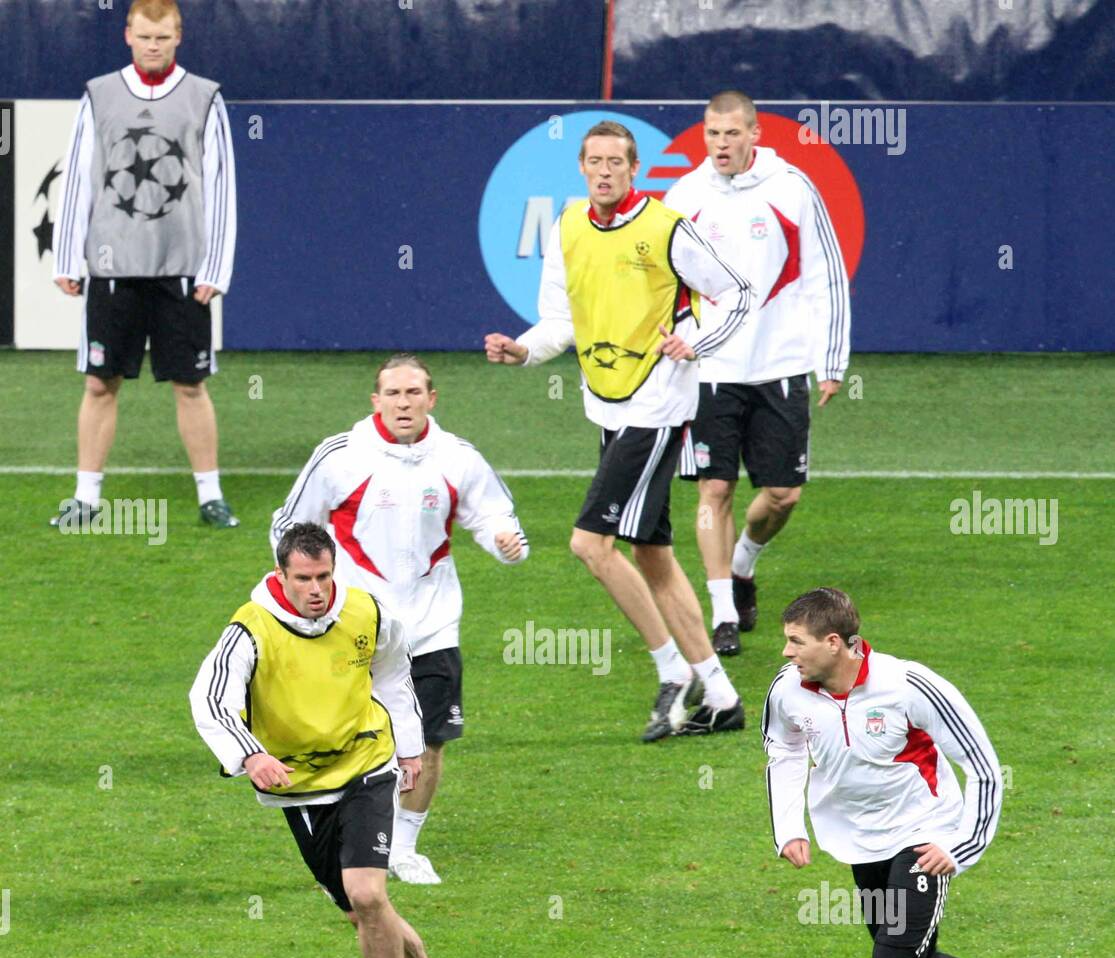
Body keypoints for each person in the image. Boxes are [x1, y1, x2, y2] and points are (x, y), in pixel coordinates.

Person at [763, 587, 1051, 958]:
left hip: (923, 838)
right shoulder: (789, 690)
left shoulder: (909, 686)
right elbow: (783, 749)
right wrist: (789, 826)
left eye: (796, 641)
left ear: (835, 643)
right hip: (857, 844)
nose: (786, 652)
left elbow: (985, 769)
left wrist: (960, 848)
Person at [485, 120, 750, 742]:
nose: (604, 170)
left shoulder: (664, 228)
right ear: (581, 168)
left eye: (616, 162)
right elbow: (558, 320)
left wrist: (695, 341)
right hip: (606, 405)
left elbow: (736, 293)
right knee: (651, 553)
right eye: (594, 161)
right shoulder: (571, 227)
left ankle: (672, 671)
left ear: (635, 170)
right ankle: (721, 695)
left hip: (655, 407)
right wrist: (523, 352)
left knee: (588, 544)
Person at [189, 522, 476, 958]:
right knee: (363, 915)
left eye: (324, 575)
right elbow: (211, 699)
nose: (316, 589)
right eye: (303, 578)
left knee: (369, 894)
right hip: (298, 786)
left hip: (367, 761)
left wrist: (411, 747)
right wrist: (250, 756)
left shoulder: (366, 612)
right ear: (282, 576)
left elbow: (393, 677)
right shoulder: (250, 630)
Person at [269, 355, 529, 885]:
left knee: (429, 742)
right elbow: (290, 524)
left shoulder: (458, 458)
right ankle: (345, 839)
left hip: (433, 626)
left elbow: (494, 516)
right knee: (345, 734)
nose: (403, 403)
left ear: (432, 399)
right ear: (376, 401)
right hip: (355, 627)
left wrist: (505, 544)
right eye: (393, 394)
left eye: (414, 393)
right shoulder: (340, 457)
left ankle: (403, 847)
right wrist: (302, 592)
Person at [665, 91, 850, 655]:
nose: (720, 144)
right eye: (711, 134)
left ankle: (743, 563)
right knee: (713, 488)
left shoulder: (792, 188)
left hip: (781, 364)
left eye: (731, 134)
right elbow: (665, 279)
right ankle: (723, 612)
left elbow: (827, 273)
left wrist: (832, 359)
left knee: (783, 494)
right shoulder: (685, 195)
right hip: (710, 366)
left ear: (754, 135)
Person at [51, 0, 239, 530]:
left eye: (163, 37)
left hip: (180, 269)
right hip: (112, 266)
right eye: (144, 36)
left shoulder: (206, 98)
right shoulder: (98, 95)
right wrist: (69, 257)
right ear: (127, 36)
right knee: (99, 382)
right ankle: (85, 499)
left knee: (190, 384)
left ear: (178, 37)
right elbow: (80, 178)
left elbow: (221, 184)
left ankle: (211, 496)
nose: (153, 45)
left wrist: (214, 269)